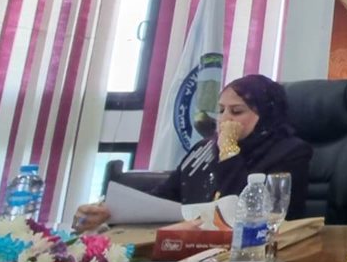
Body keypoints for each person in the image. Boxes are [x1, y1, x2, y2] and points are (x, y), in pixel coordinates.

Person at [74, 74, 311, 230]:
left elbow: (240, 207)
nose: (224, 119)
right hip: (186, 246)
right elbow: (165, 196)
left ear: (266, 115)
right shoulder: (203, 149)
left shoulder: (290, 152)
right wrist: (108, 211)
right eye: (221, 110)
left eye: (237, 111)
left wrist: (229, 150)